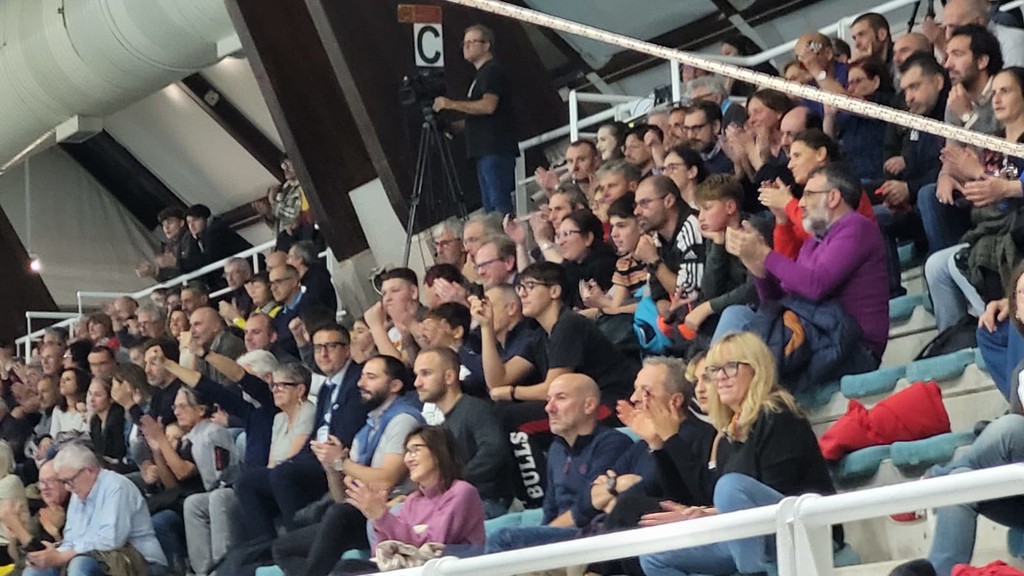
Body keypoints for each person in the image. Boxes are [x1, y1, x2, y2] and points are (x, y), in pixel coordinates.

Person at [638, 332, 842, 575]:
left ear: (756, 370)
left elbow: (779, 493)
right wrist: (697, 514)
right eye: (715, 370)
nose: (720, 377)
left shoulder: (778, 415)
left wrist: (709, 514)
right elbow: (719, 499)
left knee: (730, 485)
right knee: (653, 556)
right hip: (752, 533)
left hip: (806, 530)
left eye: (731, 367)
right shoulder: (728, 434)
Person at [720, 163, 889, 374]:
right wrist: (757, 267)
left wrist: (764, 253)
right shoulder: (813, 242)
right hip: (821, 342)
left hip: (855, 348)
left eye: (808, 195)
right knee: (744, 361)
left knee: (752, 373)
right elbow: (779, 301)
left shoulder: (856, 226)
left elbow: (816, 285)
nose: (800, 203)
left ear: (833, 197)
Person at [271, 355, 424, 576]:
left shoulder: (403, 420)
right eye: (362, 377)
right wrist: (332, 469)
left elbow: (386, 479)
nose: (361, 383)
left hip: (391, 512)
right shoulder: (367, 427)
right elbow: (341, 496)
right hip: (357, 512)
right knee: (282, 548)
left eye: (371, 377)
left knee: (340, 515)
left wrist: (342, 462)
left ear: (395, 385)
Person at [234, 322, 366, 542]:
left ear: (347, 349)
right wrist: (294, 460)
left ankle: (298, 541)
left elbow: (347, 432)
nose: (323, 353)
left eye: (331, 346)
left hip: (337, 458)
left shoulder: (356, 382)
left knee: (284, 474)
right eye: (318, 347)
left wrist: (295, 462)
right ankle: (264, 546)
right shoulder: (327, 388)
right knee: (247, 481)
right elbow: (316, 434)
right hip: (315, 456)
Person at [924, 66, 1024, 332]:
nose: (997, 99)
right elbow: (991, 198)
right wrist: (968, 182)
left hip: (1014, 228)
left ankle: (1002, 327)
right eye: (994, 93)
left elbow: (1007, 193)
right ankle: (955, 337)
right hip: (993, 225)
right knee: (935, 266)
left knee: (962, 261)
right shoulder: (993, 142)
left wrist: (979, 173)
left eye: (1006, 91)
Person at [485, 374, 631, 552]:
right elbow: (550, 510)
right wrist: (541, 537)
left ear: (589, 405)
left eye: (561, 398)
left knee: (503, 538)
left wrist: (542, 540)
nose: (549, 408)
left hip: (592, 536)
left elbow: (589, 507)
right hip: (560, 537)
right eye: (548, 400)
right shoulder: (556, 449)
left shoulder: (612, 443)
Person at [328, 426, 486, 575]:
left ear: (438, 452)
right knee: (345, 568)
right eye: (407, 452)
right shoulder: (413, 500)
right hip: (410, 569)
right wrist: (376, 517)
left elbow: (432, 547)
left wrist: (383, 517)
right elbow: (383, 551)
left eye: (415, 450)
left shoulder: (461, 492)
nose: (408, 459)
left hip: (445, 570)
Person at [24, 443, 167, 576]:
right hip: (101, 558)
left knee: (80, 565)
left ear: (89, 471)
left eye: (70, 480)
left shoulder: (116, 486)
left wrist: (63, 556)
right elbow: (71, 540)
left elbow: (111, 540)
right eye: (64, 482)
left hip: (142, 562)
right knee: (35, 571)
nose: (67, 487)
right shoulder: (78, 492)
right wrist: (48, 555)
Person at [412, 347, 515, 518]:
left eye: (426, 374)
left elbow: (494, 451)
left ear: (449, 377)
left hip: (486, 502)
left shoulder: (475, 409)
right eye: (417, 375)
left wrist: (454, 483)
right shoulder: (444, 424)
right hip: (460, 501)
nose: (417, 383)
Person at [433, 24, 518, 214]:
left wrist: (450, 104)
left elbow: (488, 106)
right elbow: (485, 116)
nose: (467, 46)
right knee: (491, 209)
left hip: (495, 149)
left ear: (486, 45)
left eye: (472, 41)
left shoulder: (492, 71)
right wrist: (456, 127)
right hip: (485, 151)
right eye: (464, 43)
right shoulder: (480, 75)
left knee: (499, 205)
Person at [632, 176, 704, 320]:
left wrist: (654, 260)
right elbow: (656, 289)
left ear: (669, 201)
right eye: (636, 204)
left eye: (644, 203)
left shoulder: (693, 226)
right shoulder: (657, 238)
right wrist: (661, 302)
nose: (636, 211)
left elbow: (689, 292)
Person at [558, 210, 618, 310]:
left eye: (566, 234)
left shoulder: (606, 266)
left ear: (588, 238)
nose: (560, 242)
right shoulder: (567, 270)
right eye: (559, 236)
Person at [287, 240, 337, 313]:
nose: (287, 262)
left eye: (290, 257)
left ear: (300, 260)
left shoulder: (317, 279)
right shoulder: (306, 280)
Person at [87, 378, 127, 466]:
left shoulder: (118, 417)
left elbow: (119, 452)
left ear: (111, 398)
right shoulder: (95, 421)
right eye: (90, 394)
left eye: (98, 395)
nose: (91, 399)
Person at [49, 368, 89, 445]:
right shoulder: (58, 410)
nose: (62, 382)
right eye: (61, 379)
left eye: (68, 379)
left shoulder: (86, 409)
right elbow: (54, 437)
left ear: (79, 383)